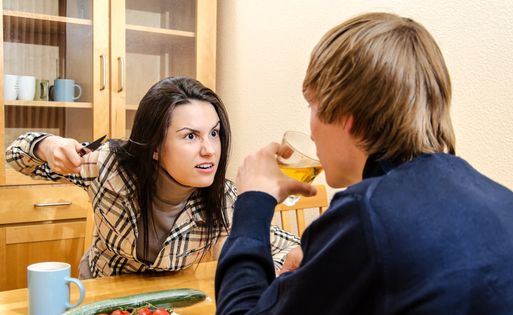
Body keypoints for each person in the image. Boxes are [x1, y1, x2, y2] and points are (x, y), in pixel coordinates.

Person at [213, 12, 513, 315]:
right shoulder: (507, 203)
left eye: (313, 105)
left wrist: (252, 203)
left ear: (347, 116)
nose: (313, 130)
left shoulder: (367, 214)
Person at [6, 76, 300, 279]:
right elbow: (16, 157)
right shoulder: (108, 165)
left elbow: (281, 245)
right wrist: (47, 146)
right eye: (190, 136)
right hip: (100, 303)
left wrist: (276, 267)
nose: (210, 150)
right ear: (156, 146)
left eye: (214, 133)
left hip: (170, 312)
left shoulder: (224, 199)